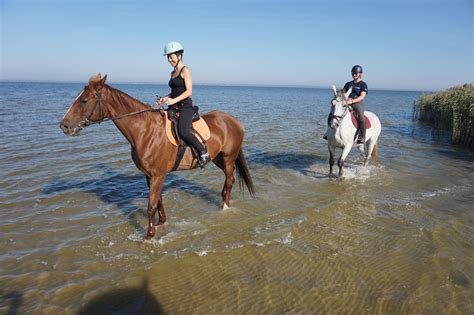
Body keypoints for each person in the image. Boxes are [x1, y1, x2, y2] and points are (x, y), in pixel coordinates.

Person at [157, 41, 211, 167]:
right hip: (173, 106)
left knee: (184, 130)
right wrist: (165, 98)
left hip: (185, 106)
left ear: (179, 55)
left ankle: (203, 153)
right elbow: (174, 92)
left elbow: (189, 91)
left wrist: (174, 100)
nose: (169, 60)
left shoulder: (185, 70)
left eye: (171, 56)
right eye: (168, 57)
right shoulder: (172, 73)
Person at [344, 65, 368, 144]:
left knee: (361, 117)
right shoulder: (348, 84)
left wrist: (352, 101)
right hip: (347, 102)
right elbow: (343, 93)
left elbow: (362, 96)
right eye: (352, 73)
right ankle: (329, 132)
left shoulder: (363, 84)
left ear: (360, 74)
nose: (354, 75)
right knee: (335, 112)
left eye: (355, 73)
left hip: (357, 103)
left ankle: (362, 136)